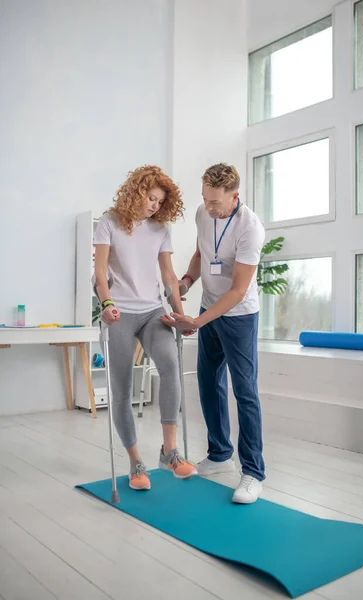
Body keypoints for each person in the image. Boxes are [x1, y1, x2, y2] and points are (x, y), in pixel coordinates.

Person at [161, 163, 265, 504]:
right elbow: (200, 253)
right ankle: (220, 455)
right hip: (207, 307)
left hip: (238, 315)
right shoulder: (203, 214)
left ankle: (252, 473)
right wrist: (187, 281)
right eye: (205, 199)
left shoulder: (250, 229)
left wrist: (197, 322)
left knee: (245, 391)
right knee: (208, 381)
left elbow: (237, 291)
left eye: (216, 202)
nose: (209, 207)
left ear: (235, 196)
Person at [94, 165, 197, 491]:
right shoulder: (110, 222)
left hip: (153, 311)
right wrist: (107, 304)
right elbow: (99, 275)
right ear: (137, 192)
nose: (155, 205)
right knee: (122, 390)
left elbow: (169, 277)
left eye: (160, 201)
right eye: (151, 198)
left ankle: (170, 451)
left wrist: (180, 315)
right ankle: (135, 461)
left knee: (170, 366)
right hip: (120, 313)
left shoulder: (159, 229)